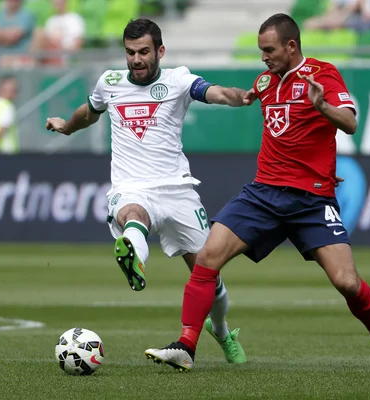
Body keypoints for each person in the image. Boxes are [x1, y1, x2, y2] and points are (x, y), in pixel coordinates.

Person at [145, 13, 370, 372]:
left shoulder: (323, 75)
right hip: (264, 194)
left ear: (291, 46)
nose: (264, 57)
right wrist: (238, 97)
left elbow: (350, 123)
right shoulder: (264, 82)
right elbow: (277, 123)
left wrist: (323, 107)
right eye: (261, 50)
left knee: (347, 282)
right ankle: (186, 345)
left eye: (269, 50)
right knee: (207, 256)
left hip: (311, 200)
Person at [44, 18, 248, 365]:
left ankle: (222, 330)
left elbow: (215, 93)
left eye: (143, 52)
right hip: (131, 186)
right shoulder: (110, 82)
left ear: (160, 51)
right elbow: (90, 112)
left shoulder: (178, 80)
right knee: (132, 214)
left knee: (207, 275)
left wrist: (241, 97)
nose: (136, 59)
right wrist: (66, 126)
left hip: (178, 190)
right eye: (130, 52)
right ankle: (135, 258)